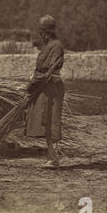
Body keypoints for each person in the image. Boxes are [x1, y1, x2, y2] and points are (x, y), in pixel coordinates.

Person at [25, 15, 65, 167]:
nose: (40, 35)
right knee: (45, 120)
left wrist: (31, 85)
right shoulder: (49, 46)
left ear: (46, 32)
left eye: (41, 32)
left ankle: (54, 159)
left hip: (51, 88)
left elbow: (47, 72)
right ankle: (52, 157)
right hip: (44, 87)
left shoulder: (55, 46)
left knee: (52, 120)